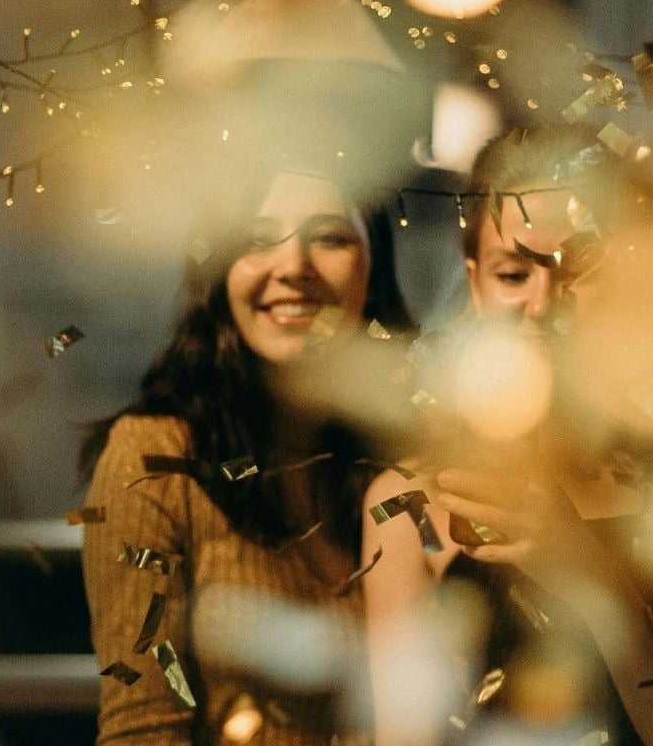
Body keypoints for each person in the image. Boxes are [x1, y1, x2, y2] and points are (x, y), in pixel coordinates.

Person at [362, 126, 653, 746]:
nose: (543, 305)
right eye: (513, 274)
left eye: (576, 270)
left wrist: (585, 569)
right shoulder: (411, 503)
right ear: (475, 285)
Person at [80, 157, 415, 745]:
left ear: (374, 265)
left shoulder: (408, 452)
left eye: (330, 238)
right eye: (255, 240)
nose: (292, 267)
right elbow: (142, 727)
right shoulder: (154, 459)